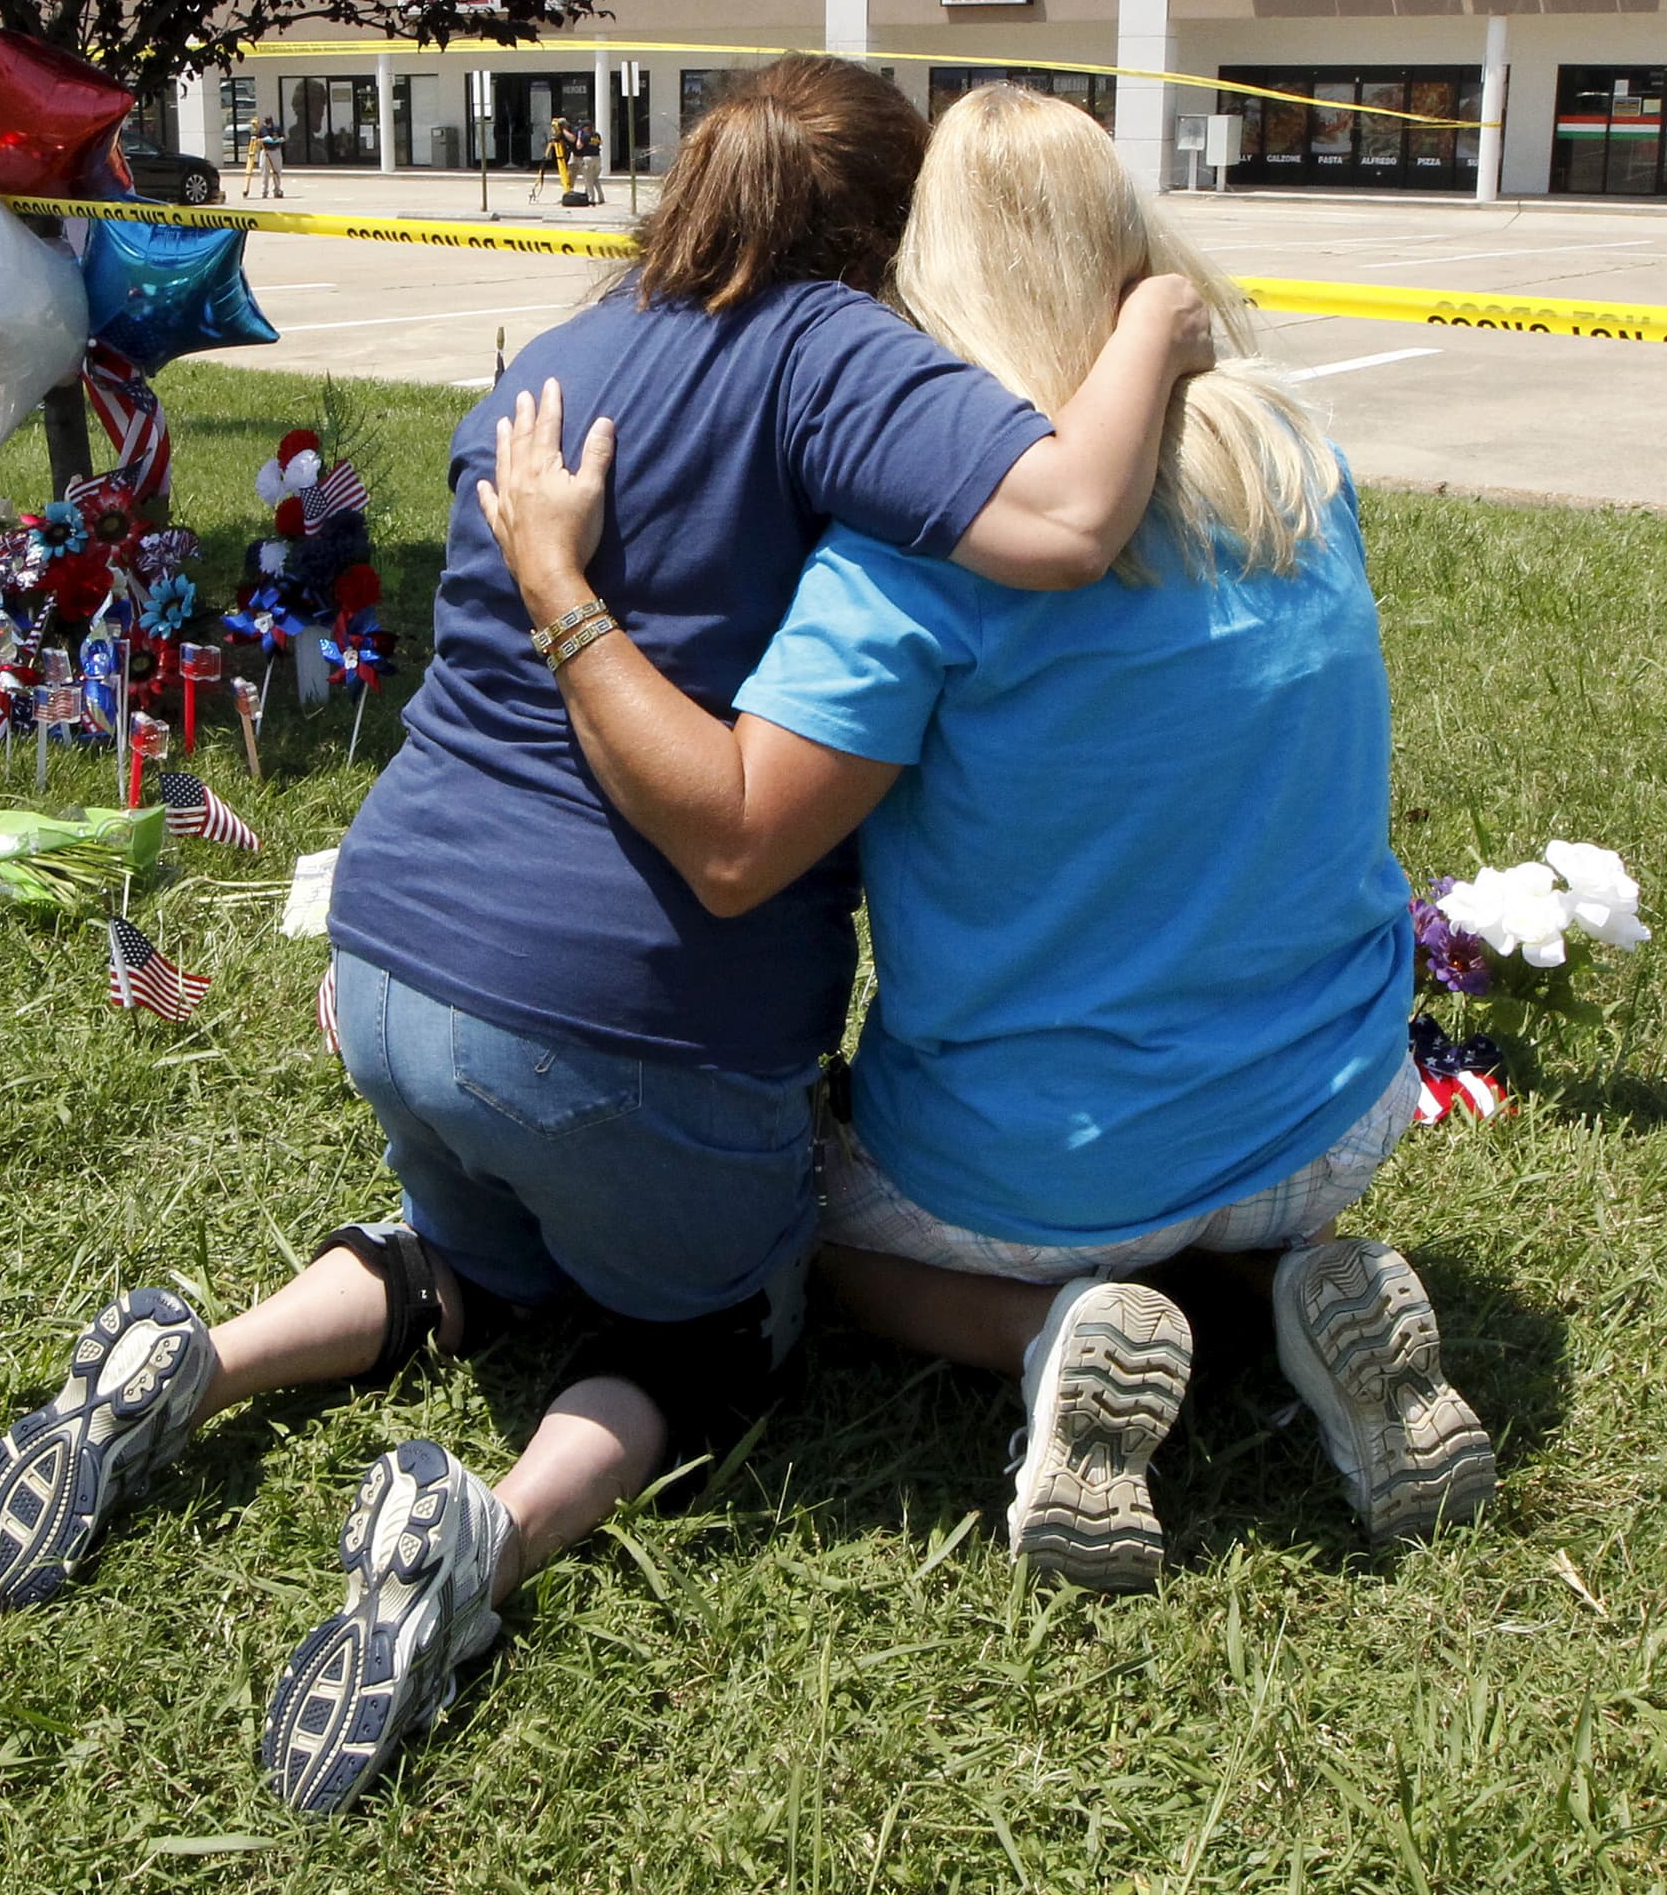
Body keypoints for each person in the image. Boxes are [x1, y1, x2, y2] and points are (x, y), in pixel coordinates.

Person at [0, 55, 1215, 1812]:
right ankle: (486, 1539)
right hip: (622, 1010)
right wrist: (1158, 315)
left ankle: (200, 1354)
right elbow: (1071, 521)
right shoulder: (826, 349)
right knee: (706, 1332)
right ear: (875, 225)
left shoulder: (556, 361)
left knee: (482, 1254)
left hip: (392, 956)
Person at [472, 82, 1496, 1595]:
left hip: (1042, 1173)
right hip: (1336, 1110)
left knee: (785, 1224)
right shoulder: (1295, 467)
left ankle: (1055, 1335)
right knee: (1197, 1158)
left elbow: (740, 840)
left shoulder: (916, 560)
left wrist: (563, 592)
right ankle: (1289, 1287)